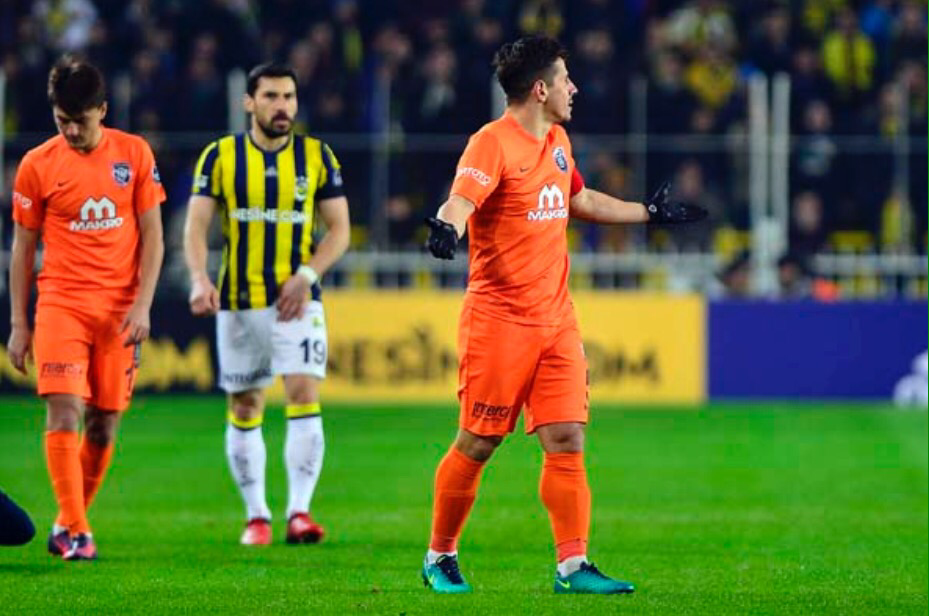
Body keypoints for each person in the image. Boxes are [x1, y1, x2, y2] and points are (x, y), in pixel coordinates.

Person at [422, 35, 706, 594]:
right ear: (540, 89)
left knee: (567, 436)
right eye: (565, 79)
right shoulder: (491, 143)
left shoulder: (557, 141)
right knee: (479, 441)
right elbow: (461, 200)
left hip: (556, 320)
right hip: (499, 320)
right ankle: (440, 556)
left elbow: (579, 200)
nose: (574, 88)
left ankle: (573, 567)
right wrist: (447, 227)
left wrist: (647, 213)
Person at [183, 63, 350, 546]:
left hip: (297, 302)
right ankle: (256, 516)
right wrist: (198, 278)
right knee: (245, 403)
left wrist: (307, 275)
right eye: (272, 96)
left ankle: (299, 512)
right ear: (249, 102)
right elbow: (196, 226)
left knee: (303, 392)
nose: (283, 106)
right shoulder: (221, 156)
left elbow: (340, 229)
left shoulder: (317, 157)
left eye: (289, 97)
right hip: (239, 301)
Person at [7, 55, 165, 561]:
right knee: (65, 408)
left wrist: (142, 305)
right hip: (62, 304)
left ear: (103, 110)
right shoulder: (37, 164)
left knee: (104, 423)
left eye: (80, 120)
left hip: (119, 311)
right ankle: (78, 531)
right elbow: (22, 250)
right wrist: (18, 323)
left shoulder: (134, 154)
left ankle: (66, 522)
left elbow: (154, 237)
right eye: (62, 121)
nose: (72, 131)